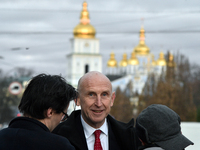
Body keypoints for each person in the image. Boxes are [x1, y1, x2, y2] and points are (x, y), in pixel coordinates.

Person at [53, 71, 141, 150]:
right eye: (91, 94)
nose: (98, 104)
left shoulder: (130, 137)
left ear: (112, 99)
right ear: (77, 99)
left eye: (104, 94)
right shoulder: (58, 137)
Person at [0, 74, 76, 150]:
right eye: (64, 115)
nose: (61, 120)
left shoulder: (2, 137)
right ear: (50, 112)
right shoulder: (59, 145)